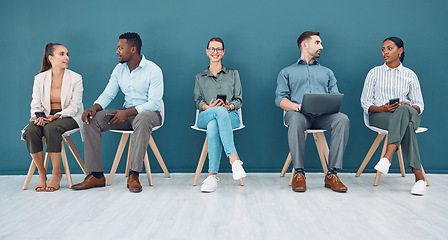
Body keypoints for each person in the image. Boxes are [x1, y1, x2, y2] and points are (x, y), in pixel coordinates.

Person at [71, 32, 163, 193]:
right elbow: (108, 94)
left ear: (133, 49)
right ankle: (96, 175)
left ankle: (134, 175)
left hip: (151, 114)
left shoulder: (153, 70)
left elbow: (154, 102)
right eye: (117, 48)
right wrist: (94, 108)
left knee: (141, 119)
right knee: (92, 120)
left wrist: (127, 113)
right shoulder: (119, 69)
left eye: (120, 48)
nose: (117, 51)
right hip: (126, 113)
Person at [275, 31, 350, 193]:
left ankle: (332, 174)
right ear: (305, 44)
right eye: (317, 43)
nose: (321, 47)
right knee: (294, 119)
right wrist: (296, 106)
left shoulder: (327, 72)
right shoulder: (286, 72)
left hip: (323, 117)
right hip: (299, 115)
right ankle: (299, 174)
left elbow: (335, 95)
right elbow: (280, 100)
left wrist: (331, 103)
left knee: (342, 119)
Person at [360, 37, 426, 195]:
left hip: (409, 114)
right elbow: (365, 102)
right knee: (406, 125)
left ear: (400, 50)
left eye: (389, 48)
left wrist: (408, 106)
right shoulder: (374, 73)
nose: (385, 52)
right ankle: (419, 178)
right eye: (383, 49)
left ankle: (388, 156)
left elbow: (420, 106)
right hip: (381, 116)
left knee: (403, 110)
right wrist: (383, 108)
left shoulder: (410, 75)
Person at [22, 43, 83, 192]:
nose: (66, 57)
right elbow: (35, 104)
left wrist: (56, 116)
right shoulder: (39, 78)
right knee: (31, 131)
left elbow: (75, 106)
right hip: (47, 116)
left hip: (69, 116)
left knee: (51, 128)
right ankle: (42, 173)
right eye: (62, 54)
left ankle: (56, 173)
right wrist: (39, 117)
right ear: (51, 58)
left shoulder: (76, 78)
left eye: (67, 54)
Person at [194, 37, 246, 193]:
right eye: (212, 49)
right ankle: (234, 160)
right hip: (206, 115)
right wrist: (208, 107)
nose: (215, 52)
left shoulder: (233, 74)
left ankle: (212, 177)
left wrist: (228, 106)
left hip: (230, 116)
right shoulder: (200, 76)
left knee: (214, 125)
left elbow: (239, 100)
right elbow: (197, 102)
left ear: (223, 52)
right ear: (207, 51)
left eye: (218, 49)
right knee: (215, 115)